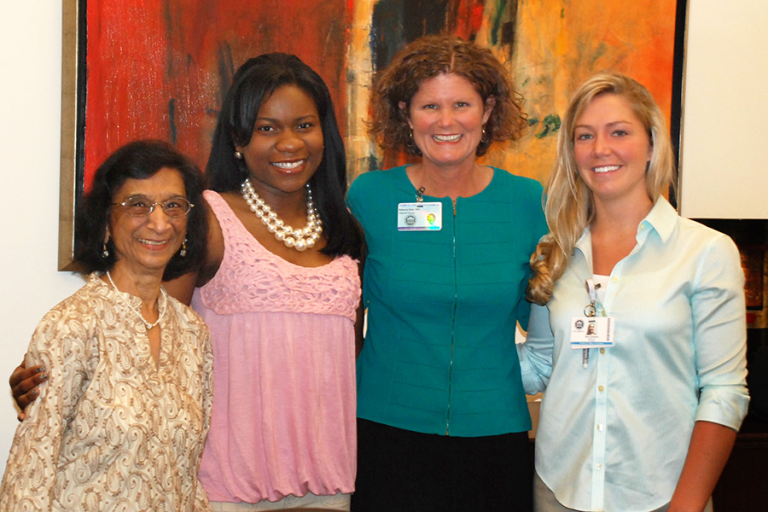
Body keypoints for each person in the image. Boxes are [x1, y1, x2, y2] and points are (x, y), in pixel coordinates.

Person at [11, 54, 364, 511]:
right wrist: (53, 378)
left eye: (303, 125)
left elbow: (347, 349)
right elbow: (145, 333)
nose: (289, 143)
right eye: (266, 128)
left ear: (324, 132)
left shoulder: (344, 227)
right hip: (227, 486)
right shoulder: (209, 219)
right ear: (238, 138)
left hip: (326, 480)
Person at [521, 73, 750, 512]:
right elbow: (539, 365)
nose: (600, 149)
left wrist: (686, 505)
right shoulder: (556, 253)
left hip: (663, 496)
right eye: (584, 136)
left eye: (619, 132)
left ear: (651, 144)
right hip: (558, 491)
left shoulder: (705, 252)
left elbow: (724, 392)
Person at [347, 35, 547, 511]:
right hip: (386, 431)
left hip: (494, 434)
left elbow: (543, 317)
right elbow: (340, 313)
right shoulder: (369, 198)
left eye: (462, 104)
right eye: (429, 106)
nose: (446, 121)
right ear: (404, 113)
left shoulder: (527, 201)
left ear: (488, 109)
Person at [0, 140, 213, 511]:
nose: (159, 222)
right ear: (105, 222)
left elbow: (185, 475)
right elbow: (30, 472)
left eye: (174, 206)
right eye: (138, 205)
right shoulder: (70, 325)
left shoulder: (194, 333)